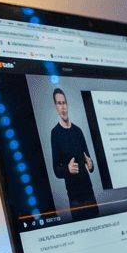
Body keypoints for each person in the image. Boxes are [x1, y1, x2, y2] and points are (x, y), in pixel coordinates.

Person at [49, 88, 98, 220]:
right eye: (59, 103)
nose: (63, 107)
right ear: (55, 107)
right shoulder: (55, 134)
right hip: (75, 198)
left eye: (64, 102)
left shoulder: (78, 131)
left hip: (90, 194)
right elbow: (56, 169)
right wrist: (68, 169)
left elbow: (89, 161)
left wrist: (91, 164)